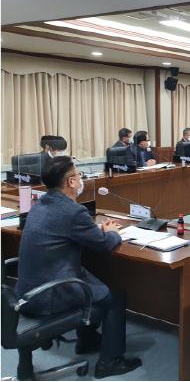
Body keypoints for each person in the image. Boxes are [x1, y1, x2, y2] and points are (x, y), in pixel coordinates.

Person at [15, 156, 142, 379]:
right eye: (78, 175)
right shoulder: (73, 211)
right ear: (71, 182)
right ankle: (110, 362)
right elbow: (105, 244)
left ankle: (87, 341)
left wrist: (96, 231)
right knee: (115, 297)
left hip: (27, 290)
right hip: (50, 294)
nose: (81, 179)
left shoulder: (40, 204)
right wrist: (112, 233)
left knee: (91, 281)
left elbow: (68, 231)